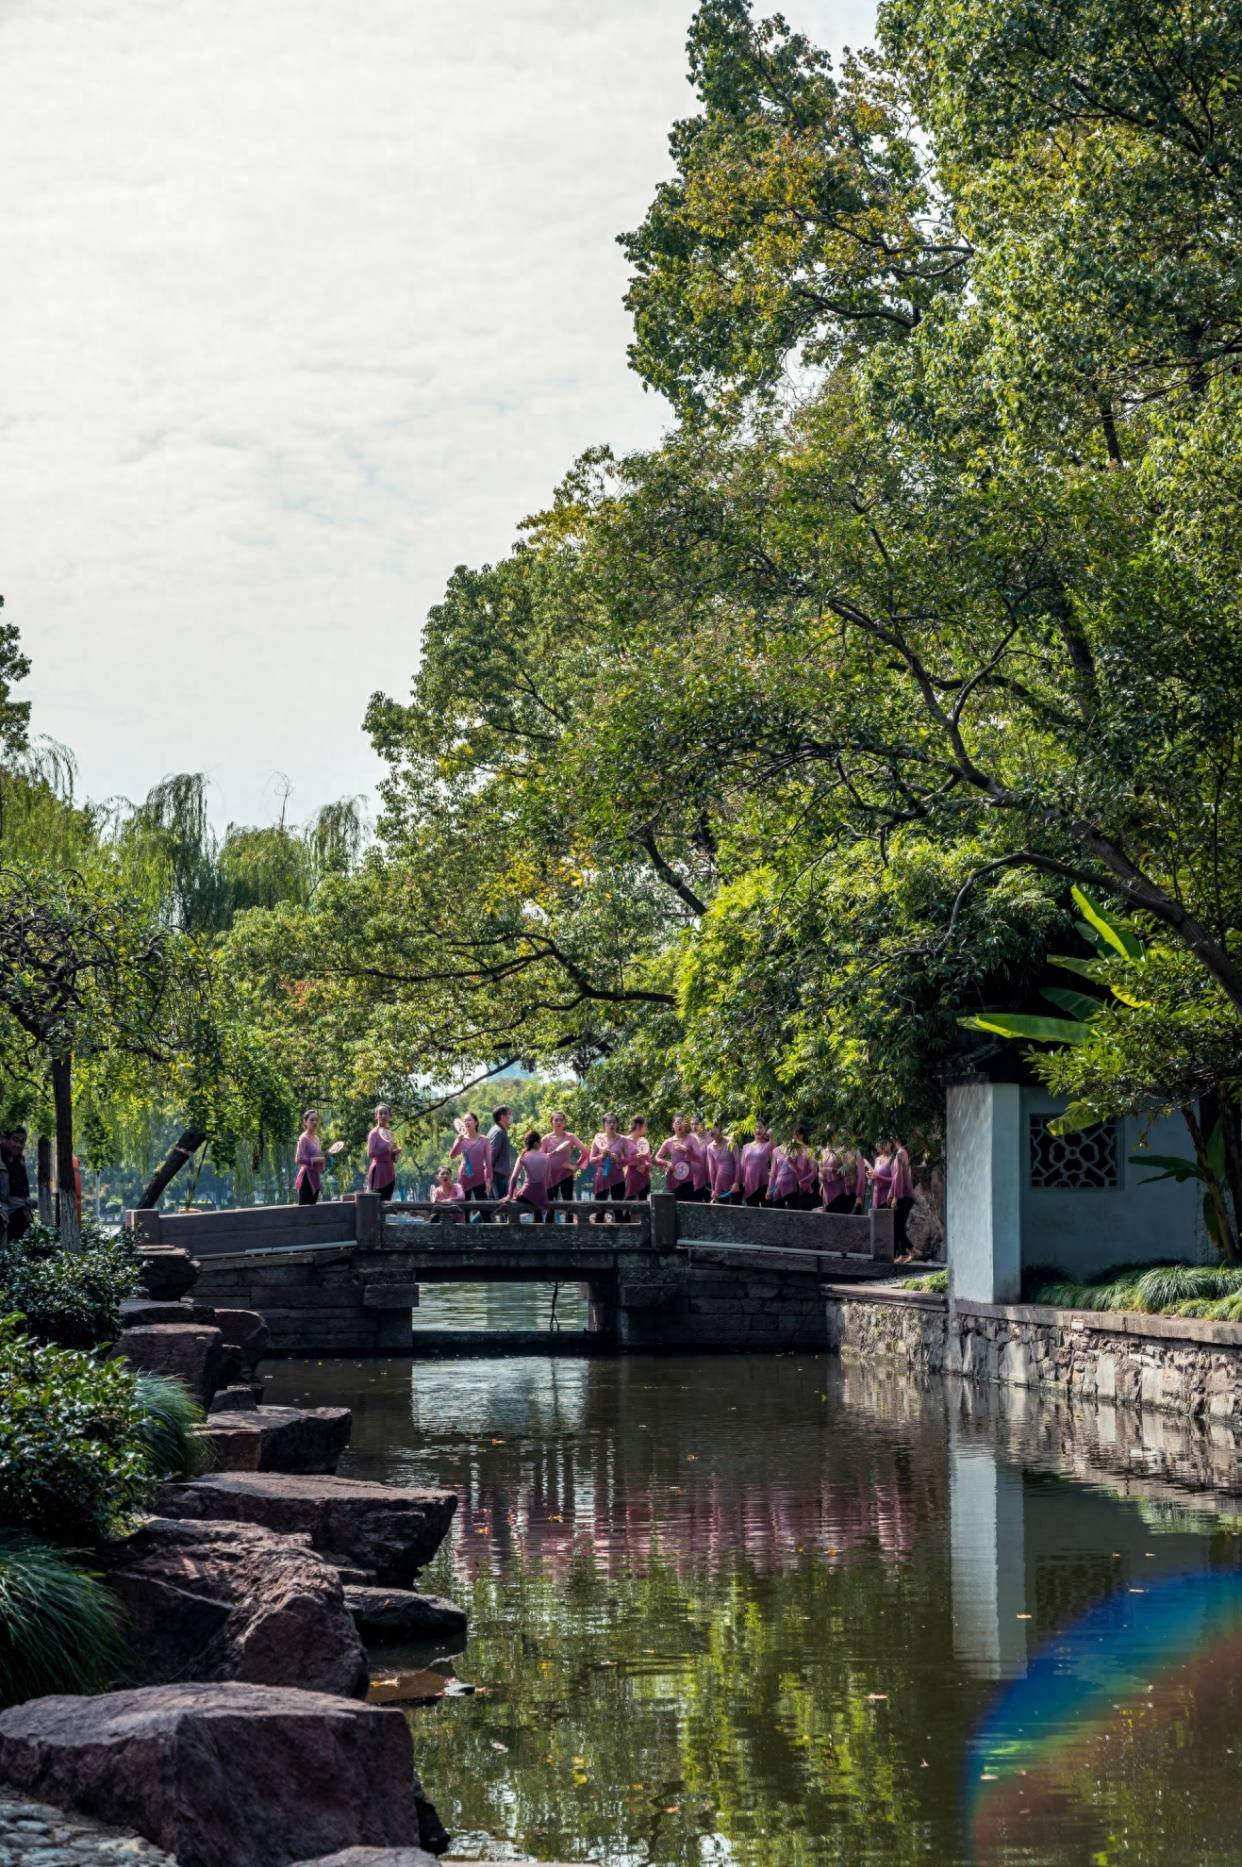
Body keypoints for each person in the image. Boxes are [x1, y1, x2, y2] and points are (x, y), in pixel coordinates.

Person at [541, 1112, 589, 1214]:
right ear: (551, 1122)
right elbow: (540, 1159)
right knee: (550, 1207)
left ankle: (570, 1229)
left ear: (565, 1123)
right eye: (556, 1120)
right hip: (550, 1176)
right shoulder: (546, 1138)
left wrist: (575, 1166)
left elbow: (585, 1152)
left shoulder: (570, 1137)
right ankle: (549, 1229)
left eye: (561, 1120)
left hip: (566, 1175)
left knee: (569, 1206)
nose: (559, 1122)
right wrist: (548, 1155)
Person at [588, 1113, 630, 1219]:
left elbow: (630, 1159)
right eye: (609, 1122)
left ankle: (619, 1234)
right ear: (604, 1124)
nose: (612, 1124)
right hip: (602, 1177)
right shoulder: (598, 1138)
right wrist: (601, 1156)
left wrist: (618, 1160)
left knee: (618, 1211)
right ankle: (599, 1235)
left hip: (618, 1178)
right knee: (599, 1210)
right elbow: (591, 1160)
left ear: (617, 1124)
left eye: (614, 1122)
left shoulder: (623, 1140)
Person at [508, 1129, 553, 1221]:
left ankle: (512, 1225)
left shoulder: (523, 1156)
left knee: (516, 1198)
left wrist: (510, 1195)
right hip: (541, 1196)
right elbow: (548, 1181)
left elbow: (514, 1178)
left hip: (526, 1195)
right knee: (537, 1206)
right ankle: (538, 1229)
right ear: (537, 1143)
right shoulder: (546, 1157)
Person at [449, 1112, 493, 1204]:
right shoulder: (460, 1139)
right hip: (464, 1178)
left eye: (469, 1120)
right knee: (464, 1210)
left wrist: (488, 1180)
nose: (466, 1122)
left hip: (479, 1178)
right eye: (464, 1121)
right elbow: (452, 1156)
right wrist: (458, 1142)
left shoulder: (485, 1140)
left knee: (484, 1209)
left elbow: (488, 1162)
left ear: (476, 1122)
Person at [655, 1114, 698, 1200]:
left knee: (689, 1209)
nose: (680, 1125)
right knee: (673, 1209)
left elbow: (698, 1158)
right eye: (677, 1123)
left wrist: (686, 1150)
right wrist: (666, 1163)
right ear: (673, 1126)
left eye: (682, 1123)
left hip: (689, 1181)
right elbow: (657, 1157)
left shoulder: (691, 1139)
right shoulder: (668, 1142)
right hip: (674, 1181)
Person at [820, 1135, 866, 1214]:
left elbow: (858, 1174)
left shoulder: (852, 1152)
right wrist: (822, 1182)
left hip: (847, 1193)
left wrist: (859, 1195)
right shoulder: (830, 1151)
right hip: (830, 1193)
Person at [768, 1127, 813, 1209]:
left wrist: (803, 1183)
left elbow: (804, 1171)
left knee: (793, 1216)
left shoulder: (804, 1150)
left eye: (796, 1134)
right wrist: (770, 1190)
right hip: (778, 1189)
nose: (792, 1136)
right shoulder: (776, 1150)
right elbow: (773, 1173)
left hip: (795, 1189)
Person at [1, 1128, 33, 1242]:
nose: (19, 1145)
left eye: (22, 1141)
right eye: (15, 1140)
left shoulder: (20, 1160)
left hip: (20, 1210)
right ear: (4, 1139)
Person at [366, 1105, 401, 1200]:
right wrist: (386, 1148)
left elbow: (391, 1156)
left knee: (387, 1201)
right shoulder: (373, 1133)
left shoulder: (389, 1133)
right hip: (378, 1171)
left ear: (390, 1116)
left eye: (386, 1113)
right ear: (376, 1116)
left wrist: (395, 1152)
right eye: (380, 1113)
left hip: (389, 1170)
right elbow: (370, 1153)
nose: (383, 1116)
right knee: (376, 1202)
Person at [889, 1138, 916, 1258]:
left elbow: (899, 1176)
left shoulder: (900, 1153)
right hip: (904, 1195)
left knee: (897, 1227)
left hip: (902, 1196)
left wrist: (895, 1196)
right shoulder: (903, 1153)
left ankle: (912, 1250)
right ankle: (906, 1253)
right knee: (898, 1226)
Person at [293, 1110, 326, 1206]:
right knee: (304, 1212)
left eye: (316, 1120)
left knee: (313, 1211)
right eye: (312, 1120)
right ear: (305, 1122)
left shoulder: (317, 1138)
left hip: (315, 1176)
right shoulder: (303, 1138)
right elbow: (298, 1159)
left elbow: (318, 1157)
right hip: (306, 1178)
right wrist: (315, 1160)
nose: (315, 1122)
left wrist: (323, 1160)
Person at [737, 1122, 773, 1207]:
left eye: (760, 1127)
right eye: (755, 1127)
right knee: (751, 1213)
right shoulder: (746, 1146)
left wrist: (770, 1136)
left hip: (764, 1184)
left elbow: (775, 1160)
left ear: (765, 1129)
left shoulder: (768, 1145)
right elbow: (742, 1166)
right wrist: (738, 1182)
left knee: (767, 1212)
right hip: (749, 1183)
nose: (758, 1130)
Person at [486, 1106, 514, 1210]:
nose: (511, 1117)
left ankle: (474, 1224)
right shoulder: (498, 1132)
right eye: (509, 1115)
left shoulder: (499, 1130)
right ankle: (473, 1224)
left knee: (493, 1207)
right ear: (502, 1117)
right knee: (501, 1206)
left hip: (498, 1175)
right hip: (498, 1176)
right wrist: (489, 1174)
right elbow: (491, 1154)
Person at [705, 1123, 737, 1202]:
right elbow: (711, 1170)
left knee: (736, 1210)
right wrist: (713, 1189)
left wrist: (736, 1182)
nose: (710, 1132)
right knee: (721, 1212)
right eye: (708, 1130)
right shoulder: (709, 1147)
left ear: (718, 1127)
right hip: (719, 1184)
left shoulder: (731, 1141)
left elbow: (738, 1163)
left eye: (712, 1128)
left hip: (734, 1185)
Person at [624, 1118, 652, 1203]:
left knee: (643, 1209)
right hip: (630, 1179)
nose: (646, 1128)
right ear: (638, 1126)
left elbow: (649, 1162)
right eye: (645, 1126)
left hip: (644, 1179)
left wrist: (645, 1164)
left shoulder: (644, 1141)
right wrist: (635, 1159)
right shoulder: (624, 1141)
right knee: (628, 1208)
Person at [688, 1116, 711, 1202]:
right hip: (693, 1179)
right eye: (692, 1124)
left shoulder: (710, 1138)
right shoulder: (688, 1138)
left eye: (696, 1124)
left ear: (702, 1124)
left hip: (708, 1179)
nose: (694, 1126)